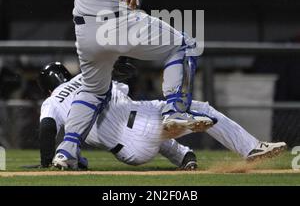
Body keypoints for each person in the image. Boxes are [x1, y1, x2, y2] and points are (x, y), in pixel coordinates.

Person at [52, 0, 215, 169]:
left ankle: (66, 151)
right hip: (114, 21)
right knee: (184, 45)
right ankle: (174, 111)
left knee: (93, 90)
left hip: (84, 31)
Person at [38, 63, 287, 169]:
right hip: (140, 124)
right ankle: (251, 148)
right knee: (202, 110)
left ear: (48, 87)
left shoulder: (52, 101)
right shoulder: (88, 76)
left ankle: (182, 153)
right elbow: (123, 80)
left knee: (76, 137)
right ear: (66, 74)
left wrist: (48, 162)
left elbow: (48, 128)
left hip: (130, 154)